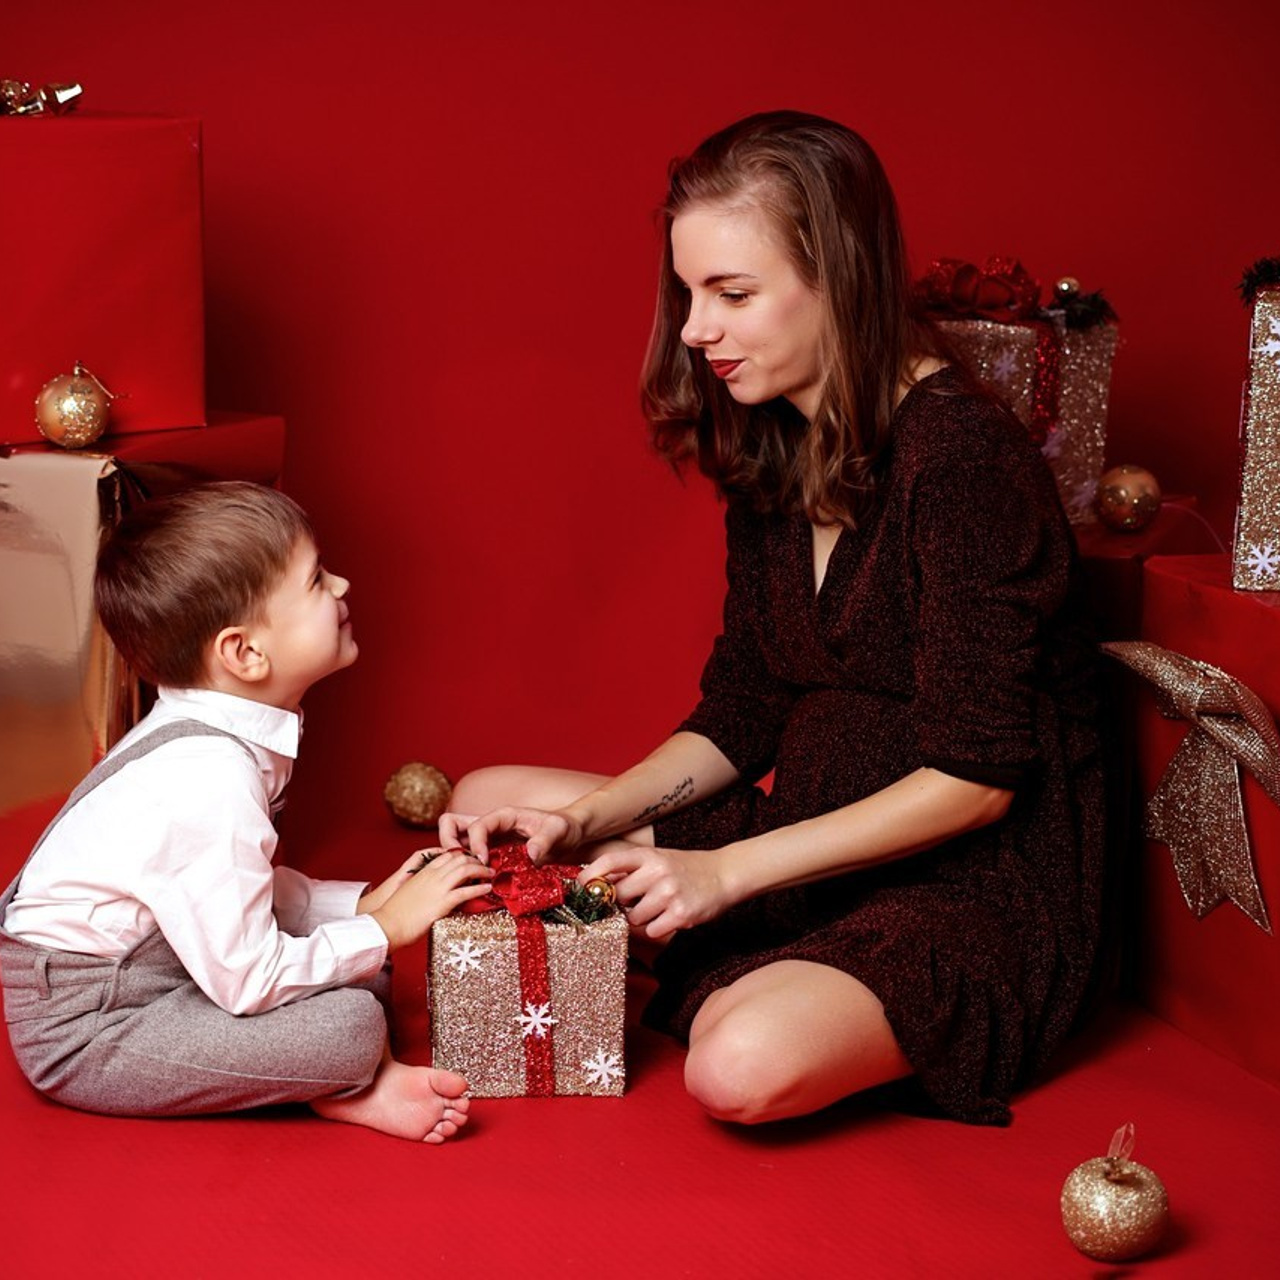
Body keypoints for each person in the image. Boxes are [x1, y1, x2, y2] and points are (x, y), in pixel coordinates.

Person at [439, 111, 1105, 1127]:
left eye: (732, 293)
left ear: (840, 278)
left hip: (964, 885)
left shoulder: (962, 460)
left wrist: (723, 872)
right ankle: (733, 950)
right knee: (494, 799)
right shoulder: (779, 445)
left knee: (737, 1068)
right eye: (688, 293)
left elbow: (976, 783)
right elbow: (744, 707)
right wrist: (584, 820)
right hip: (803, 836)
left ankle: (743, 972)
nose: (694, 329)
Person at [0, 481, 493, 1142]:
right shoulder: (208, 777)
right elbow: (249, 978)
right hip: (93, 1023)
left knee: (364, 969)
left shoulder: (227, 733)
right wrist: (388, 926)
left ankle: (320, 1075)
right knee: (350, 1023)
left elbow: (233, 889)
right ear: (245, 653)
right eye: (316, 580)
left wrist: (362, 905)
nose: (343, 586)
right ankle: (344, 1079)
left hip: (168, 965)